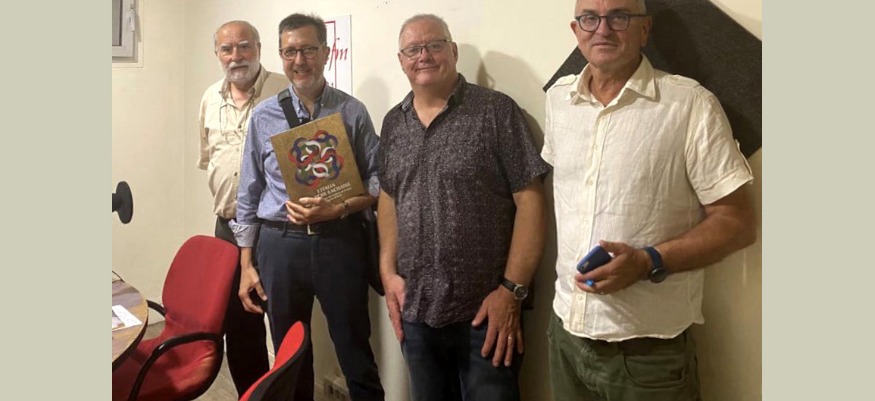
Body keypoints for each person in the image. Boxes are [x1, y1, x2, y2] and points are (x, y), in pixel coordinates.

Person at [543, 0, 757, 400]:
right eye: (589, 18)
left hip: (647, 354)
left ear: (644, 29)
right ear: (576, 31)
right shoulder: (559, 100)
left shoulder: (689, 105)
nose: (602, 29)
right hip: (566, 334)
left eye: (619, 16)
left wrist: (647, 261)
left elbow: (738, 223)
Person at [378, 14, 550, 401]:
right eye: (413, 49)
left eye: (434, 45)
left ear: (453, 51)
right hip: (417, 308)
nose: (424, 56)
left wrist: (511, 291)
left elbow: (531, 200)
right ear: (401, 61)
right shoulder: (393, 123)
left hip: (487, 313)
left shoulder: (495, 112)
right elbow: (388, 196)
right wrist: (387, 273)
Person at [234, 13, 385, 401]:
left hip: (340, 240)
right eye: (290, 52)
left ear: (326, 52)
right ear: (280, 55)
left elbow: (379, 181)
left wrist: (340, 208)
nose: (299, 61)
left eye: (308, 50)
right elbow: (248, 193)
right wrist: (246, 264)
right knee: (290, 355)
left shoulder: (351, 111)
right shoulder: (263, 116)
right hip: (280, 244)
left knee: (355, 348)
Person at [196, 20, 288, 397]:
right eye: (227, 49)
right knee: (239, 327)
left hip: (275, 230)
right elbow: (209, 159)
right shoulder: (209, 98)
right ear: (217, 54)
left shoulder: (285, 90)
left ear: (259, 48)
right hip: (228, 229)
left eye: (244, 46)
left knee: (284, 325)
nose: (236, 56)